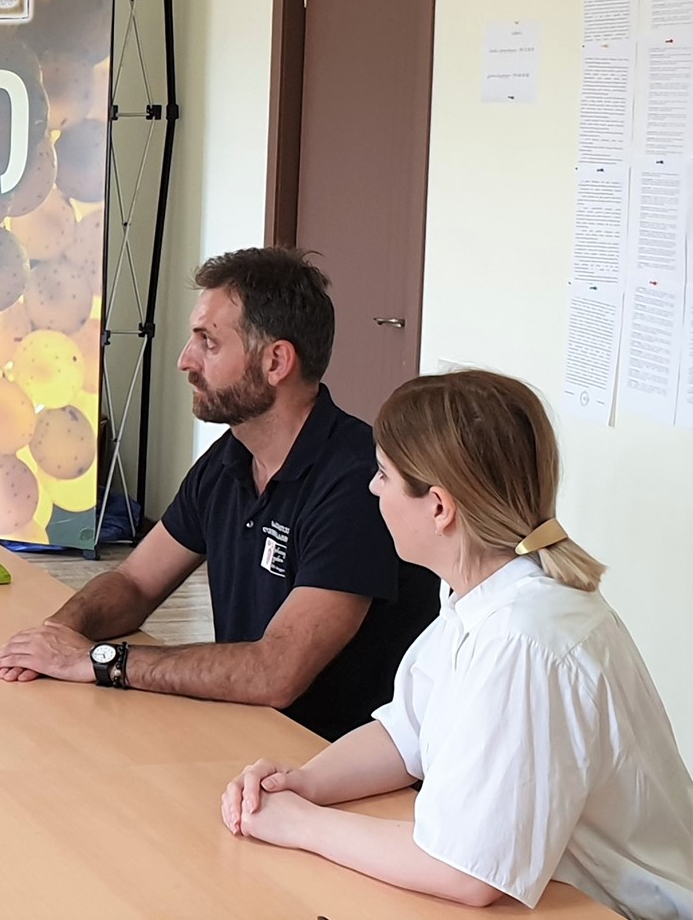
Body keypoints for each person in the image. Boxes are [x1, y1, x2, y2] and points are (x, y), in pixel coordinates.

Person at [220, 370, 693, 915]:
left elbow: (466, 871)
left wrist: (301, 825)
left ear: (440, 508)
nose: (372, 488)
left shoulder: (524, 640)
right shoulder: (481, 594)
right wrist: (303, 783)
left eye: (383, 475)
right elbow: (407, 732)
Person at [0, 248, 437, 740]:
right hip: (246, 734)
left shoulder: (356, 483)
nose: (185, 360)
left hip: (327, 759)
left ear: (275, 361)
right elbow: (135, 583)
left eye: (208, 342)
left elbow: (275, 673)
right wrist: (57, 634)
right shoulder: (230, 458)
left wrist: (101, 660)